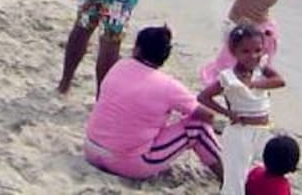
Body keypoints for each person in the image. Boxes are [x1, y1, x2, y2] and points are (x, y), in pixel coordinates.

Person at [83, 26, 221, 180]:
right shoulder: (168, 86)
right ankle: (229, 178)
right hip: (126, 162)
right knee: (198, 127)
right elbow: (207, 116)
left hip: (91, 149)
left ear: (137, 49)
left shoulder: (119, 66)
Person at [198, 25, 286, 195]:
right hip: (241, 131)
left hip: (263, 128)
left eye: (257, 50)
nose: (252, 56)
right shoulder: (228, 77)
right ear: (234, 51)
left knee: (274, 164)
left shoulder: (261, 68)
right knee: (235, 179)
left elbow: (280, 81)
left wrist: (254, 84)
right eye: (245, 51)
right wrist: (228, 113)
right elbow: (203, 97)